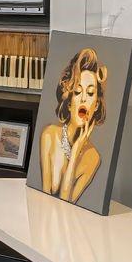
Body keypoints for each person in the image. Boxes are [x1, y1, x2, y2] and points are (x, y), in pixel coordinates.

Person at [38, 46, 108, 203]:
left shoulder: (93, 157)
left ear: (96, 104)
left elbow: (66, 204)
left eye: (90, 93)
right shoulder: (49, 135)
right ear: (69, 102)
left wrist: (75, 152)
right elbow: (45, 202)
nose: (84, 98)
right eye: (77, 92)